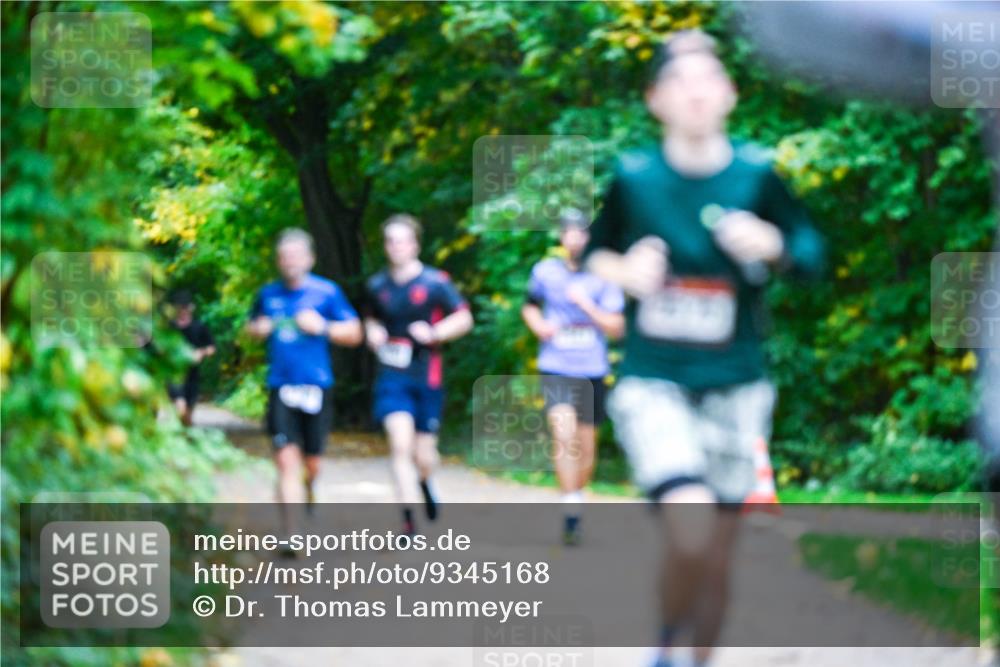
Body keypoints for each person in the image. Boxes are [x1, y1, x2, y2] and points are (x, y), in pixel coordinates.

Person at [583, 31, 824, 667]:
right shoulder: (634, 179)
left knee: (716, 556)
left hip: (737, 382)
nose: (695, 92)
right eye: (679, 82)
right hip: (654, 379)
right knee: (689, 527)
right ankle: (665, 645)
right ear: (655, 99)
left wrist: (772, 243)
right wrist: (624, 269)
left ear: (729, 94)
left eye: (707, 80)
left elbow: (812, 254)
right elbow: (594, 253)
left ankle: (691, 655)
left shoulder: (758, 174)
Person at [246, 228, 363, 547]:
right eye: (285, 256)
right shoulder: (268, 295)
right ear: (278, 261)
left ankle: (310, 487)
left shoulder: (326, 292)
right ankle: (291, 533)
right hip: (280, 386)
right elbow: (250, 328)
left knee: (312, 464)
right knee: (286, 460)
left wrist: (323, 327)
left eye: (297, 255)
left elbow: (355, 333)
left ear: (310, 259)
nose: (291, 261)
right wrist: (258, 330)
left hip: (317, 387)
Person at [365, 214, 473, 536]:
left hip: (427, 375)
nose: (396, 247)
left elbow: (464, 319)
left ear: (414, 244)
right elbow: (370, 319)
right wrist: (373, 334)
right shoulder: (376, 286)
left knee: (424, 455)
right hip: (391, 375)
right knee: (400, 445)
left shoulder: (435, 282)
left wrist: (435, 332)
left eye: (402, 240)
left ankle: (425, 481)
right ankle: (408, 520)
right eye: (390, 241)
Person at [522, 209, 625, 545]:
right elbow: (530, 305)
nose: (574, 238)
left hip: (592, 368)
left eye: (580, 232)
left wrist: (587, 306)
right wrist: (538, 325)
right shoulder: (545, 271)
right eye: (568, 232)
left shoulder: (603, 276)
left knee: (586, 448)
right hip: (556, 365)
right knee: (562, 434)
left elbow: (617, 327)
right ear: (561, 237)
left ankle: (576, 495)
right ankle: (570, 510)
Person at [166, 290, 215, 427]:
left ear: (191, 307)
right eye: (179, 307)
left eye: (185, 307)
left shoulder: (199, 327)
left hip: (193, 375)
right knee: (180, 407)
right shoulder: (169, 327)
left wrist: (201, 352)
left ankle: (185, 438)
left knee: (187, 415)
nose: (183, 310)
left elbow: (212, 348)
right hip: (174, 374)